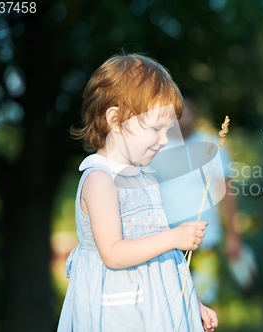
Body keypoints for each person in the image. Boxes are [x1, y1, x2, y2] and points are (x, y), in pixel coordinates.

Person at [57, 54, 218, 332]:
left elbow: (164, 259)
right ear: (115, 120)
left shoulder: (146, 179)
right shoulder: (100, 180)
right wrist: (174, 237)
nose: (165, 139)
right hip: (118, 312)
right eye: (156, 128)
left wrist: (191, 301)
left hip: (154, 307)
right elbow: (114, 254)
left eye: (168, 130)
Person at [149, 95, 248, 304]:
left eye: (187, 110)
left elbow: (227, 193)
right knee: (168, 303)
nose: (182, 116)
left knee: (203, 303)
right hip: (164, 242)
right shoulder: (154, 148)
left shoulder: (212, 145)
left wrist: (233, 236)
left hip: (205, 241)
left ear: (196, 112)